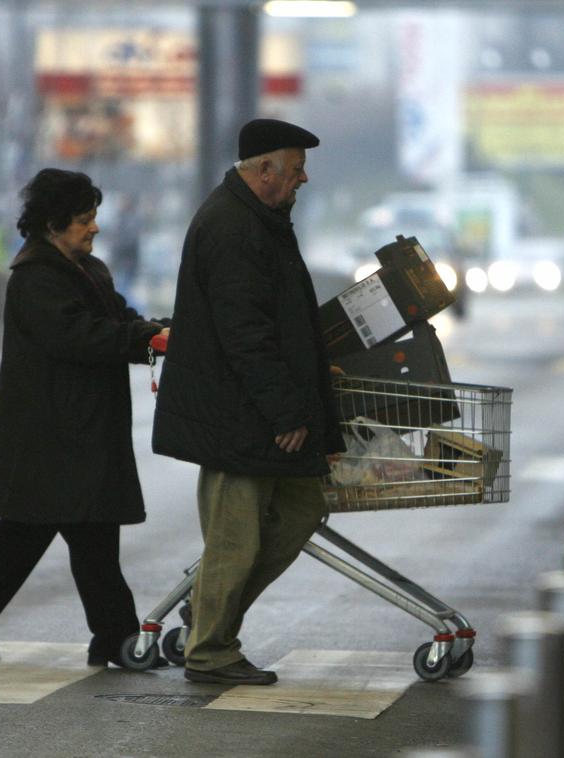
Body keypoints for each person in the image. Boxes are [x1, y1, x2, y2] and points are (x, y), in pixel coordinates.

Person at [0, 168, 169, 668]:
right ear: (53, 224)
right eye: (83, 220)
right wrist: (143, 341)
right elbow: (79, 337)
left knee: (43, 535)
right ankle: (117, 639)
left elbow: (117, 319)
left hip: (75, 433)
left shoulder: (88, 269)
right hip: (51, 436)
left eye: (94, 218)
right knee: (81, 537)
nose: (94, 228)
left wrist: (156, 330)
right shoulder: (35, 280)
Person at [152, 118, 344, 686]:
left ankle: (214, 611)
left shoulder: (259, 218)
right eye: (295, 170)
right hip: (240, 417)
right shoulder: (232, 227)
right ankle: (210, 651)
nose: (303, 179)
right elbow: (246, 334)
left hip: (256, 411)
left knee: (303, 508)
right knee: (234, 539)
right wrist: (286, 411)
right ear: (265, 172)